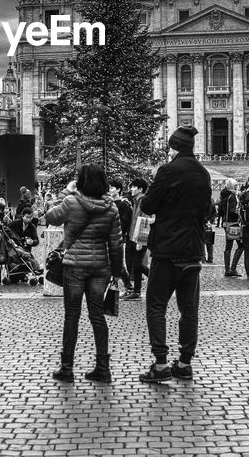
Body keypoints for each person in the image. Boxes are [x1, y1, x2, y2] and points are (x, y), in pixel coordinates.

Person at [139, 125, 212, 384]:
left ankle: (160, 364)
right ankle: (184, 363)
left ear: (173, 148)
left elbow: (148, 205)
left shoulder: (167, 171)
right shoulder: (204, 174)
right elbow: (208, 210)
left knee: (156, 306)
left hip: (167, 251)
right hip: (193, 251)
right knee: (189, 310)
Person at [44, 164, 128, 384]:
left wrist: (67, 192)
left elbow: (50, 216)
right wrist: (117, 272)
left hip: (74, 267)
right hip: (100, 267)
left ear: (80, 181)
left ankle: (67, 367)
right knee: (97, 316)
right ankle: (103, 367)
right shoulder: (112, 208)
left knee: (72, 315)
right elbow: (116, 244)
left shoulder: (71, 202)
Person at [217, 184, 243, 278]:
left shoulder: (224, 196)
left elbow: (220, 211)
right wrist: (239, 214)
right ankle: (232, 269)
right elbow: (232, 211)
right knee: (241, 245)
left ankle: (227, 269)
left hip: (226, 222)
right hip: (232, 223)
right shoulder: (232, 197)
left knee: (228, 246)